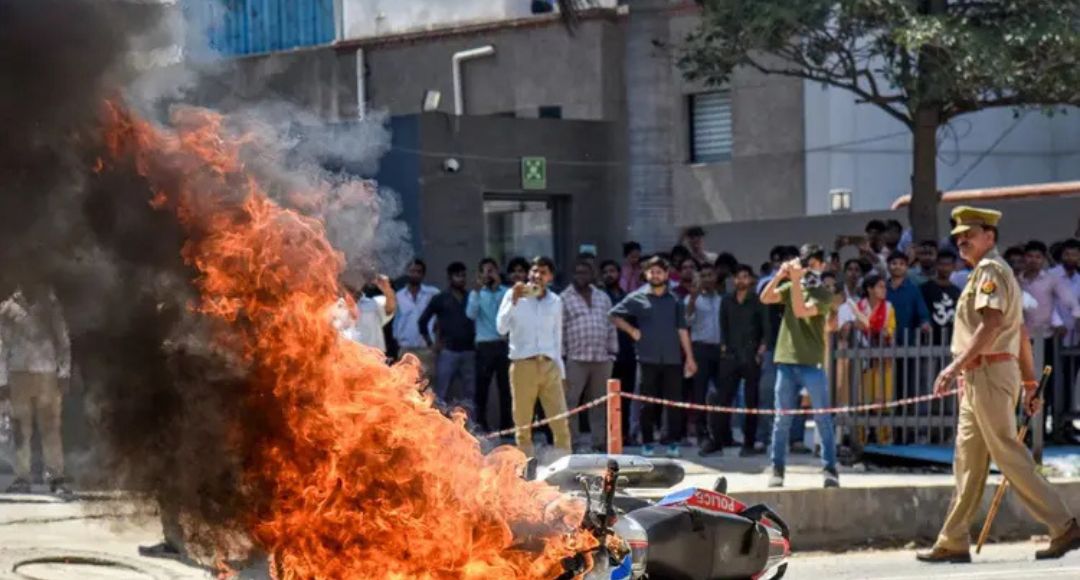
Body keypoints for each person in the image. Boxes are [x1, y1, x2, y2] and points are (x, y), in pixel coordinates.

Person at [918, 206, 1080, 563]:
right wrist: (1028, 380)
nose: (962, 241)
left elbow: (991, 324)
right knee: (968, 460)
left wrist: (954, 366)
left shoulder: (991, 270)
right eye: (958, 236)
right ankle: (954, 538)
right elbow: (1019, 331)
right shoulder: (983, 273)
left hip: (988, 372)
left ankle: (1064, 524)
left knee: (1006, 452)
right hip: (982, 375)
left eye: (970, 234)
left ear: (989, 236)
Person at [760, 244, 839, 488]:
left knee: (822, 418)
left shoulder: (824, 294)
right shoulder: (792, 285)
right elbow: (765, 297)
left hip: (811, 364)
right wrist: (780, 276)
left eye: (815, 262)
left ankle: (829, 469)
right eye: (807, 262)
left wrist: (794, 280)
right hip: (786, 361)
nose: (811, 267)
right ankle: (778, 468)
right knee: (781, 419)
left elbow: (800, 310)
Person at [610, 256, 697, 458]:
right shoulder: (637, 297)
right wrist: (632, 330)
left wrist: (690, 358)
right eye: (651, 271)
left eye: (659, 271)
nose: (655, 275)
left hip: (673, 358)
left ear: (666, 275)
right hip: (647, 358)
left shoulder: (675, 300)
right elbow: (613, 315)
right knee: (646, 404)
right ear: (646, 274)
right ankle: (647, 443)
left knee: (674, 404)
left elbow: (682, 330)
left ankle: (673, 442)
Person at [0, 283, 72, 496]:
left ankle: (56, 476)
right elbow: (1, 344)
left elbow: (63, 339)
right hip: (18, 373)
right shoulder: (7, 309)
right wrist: (2, 379)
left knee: (50, 428)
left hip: (46, 373)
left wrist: (64, 373)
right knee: (21, 429)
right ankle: (23, 476)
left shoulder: (50, 305)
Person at [497, 256, 570, 458]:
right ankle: (525, 465)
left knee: (559, 419)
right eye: (535, 271)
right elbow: (501, 328)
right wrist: (514, 301)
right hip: (523, 365)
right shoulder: (513, 294)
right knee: (522, 422)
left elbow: (557, 338)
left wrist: (561, 373)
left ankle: (564, 463)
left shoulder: (555, 301)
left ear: (550, 277)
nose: (538, 275)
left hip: (549, 365)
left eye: (543, 272)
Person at [710, 264, 768, 457]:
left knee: (752, 401)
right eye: (738, 277)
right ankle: (718, 441)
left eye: (745, 276)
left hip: (751, 355)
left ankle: (749, 443)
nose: (741, 280)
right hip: (731, 356)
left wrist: (761, 349)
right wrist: (724, 349)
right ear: (733, 280)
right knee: (723, 399)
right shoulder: (726, 300)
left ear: (751, 280)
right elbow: (723, 326)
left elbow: (766, 328)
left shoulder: (758, 301)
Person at [561, 259, 617, 452]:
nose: (581, 276)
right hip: (575, 359)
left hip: (602, 359)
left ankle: (599, 443)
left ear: (592, 275)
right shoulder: (564, 298)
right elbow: (558, 329)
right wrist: (562, 357)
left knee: (599, 403)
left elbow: (611, 325)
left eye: (585, 272)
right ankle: (573, 444)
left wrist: (612, 353)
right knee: (570, 403)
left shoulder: (603, 297)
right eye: (577, 273)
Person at [418, 262, 476, 410]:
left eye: (463, 276)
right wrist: (431, 345)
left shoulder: (471, 297)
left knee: (470, 394)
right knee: (441, 393)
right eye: (458, 276)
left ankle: (470, 428)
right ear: (450, 278)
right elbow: (422, 322)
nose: (461, 279)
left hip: (469, 351)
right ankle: (439, 426)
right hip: (447, 352)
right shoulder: (440, 298)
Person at [684, 263, 726, 453]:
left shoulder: (722, 300)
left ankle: (720, 435)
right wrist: (693, 297)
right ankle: (702, 435)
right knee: (700, 394)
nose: (708, 279)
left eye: (711, 275)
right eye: (704, 275)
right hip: (700, 350)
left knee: (719, 394)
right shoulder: (692, 299)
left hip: (719, 350)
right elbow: (686, 320)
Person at [467, 258, 511, 434]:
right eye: (485, 271)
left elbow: (508, 312)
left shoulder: (506, 292)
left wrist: (498, 289)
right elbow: (470, 314)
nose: (489, 274)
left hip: (502, 344)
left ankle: (507, 426)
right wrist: (477, 292)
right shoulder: (476, 293)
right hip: (484, 346)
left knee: (506, 388)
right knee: (482, 388)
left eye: (492, 270)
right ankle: (481, 425)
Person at [853, 274, 896, 445]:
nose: (883, 290)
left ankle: (884, 440)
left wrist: (887, 333)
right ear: (869, 289)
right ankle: (861, 440)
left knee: (883, 401)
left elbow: (892, 329)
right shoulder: (859, 307)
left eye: (884, 287)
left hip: (883, 361)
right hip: (863, 359)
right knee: (863, 401)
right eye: (879, 287)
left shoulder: (889, 307)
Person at [600, 259, 637, 442]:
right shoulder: (599, 298)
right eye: (605, 271)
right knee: (606, 399)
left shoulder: (628, 299)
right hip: (606, 355)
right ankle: (610, 435)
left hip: (627, 354)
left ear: (619, 274)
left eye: (612, 271)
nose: (609, 275)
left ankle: (624, 433)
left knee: (626, 397)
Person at [393, 260, 439, 376]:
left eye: (418, 272)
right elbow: (395, 320)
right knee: (405, 385)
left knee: (426, 386)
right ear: (407, 273)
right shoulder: (399, 296)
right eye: (412, 271)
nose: (415, 274)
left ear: (423, 275)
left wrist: (437, 342)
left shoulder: (433, 294)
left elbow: (441, 318)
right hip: (405, 348)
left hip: (426, 348)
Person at [334, 276, 396, 353]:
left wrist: (387, 289)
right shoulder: (333, 308)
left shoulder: (374, 304)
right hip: (345, 358)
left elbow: (390, 308)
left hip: (373, 359)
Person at [885, 252, 931, 342]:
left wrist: (925, 323)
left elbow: (922, 313)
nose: (897, 266)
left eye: (901, 264)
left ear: (906, 267)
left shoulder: (913, 290)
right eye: (894, 263)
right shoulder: (882, 288)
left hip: (908, 340)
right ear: (888, 266)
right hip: (884, 340)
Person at [921, 249, 961, 345]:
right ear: (936, 265)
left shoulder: (957, 292)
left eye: (948, 265)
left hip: (951, 341)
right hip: (928, 341)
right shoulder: (924, 289)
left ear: (954, 267)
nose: (945, 268)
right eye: (942, 264)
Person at [1051, 238, 1080, 345]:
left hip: (1074, 335)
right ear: (1061, 256)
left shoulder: (1079, 279)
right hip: (1053, 332)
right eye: (1067, 254)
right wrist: (1057, 323)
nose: (1070, 258)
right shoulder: (1051, 275)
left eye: (1074, 255)